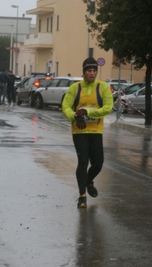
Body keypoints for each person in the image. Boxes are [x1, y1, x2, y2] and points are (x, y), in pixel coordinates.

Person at [62, 57, 113, 208]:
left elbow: (108, 108)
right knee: (83, 162)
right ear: (83, 72)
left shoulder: (102, 87)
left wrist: (88, 113)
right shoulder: (75, 88)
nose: (92, 73)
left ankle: (89, 181)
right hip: (79, 131)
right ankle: (82, 196)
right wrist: (75, 116)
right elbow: (65, 106)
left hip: (96, 131)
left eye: (94, 71)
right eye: (89, 71)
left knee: (98, 163)